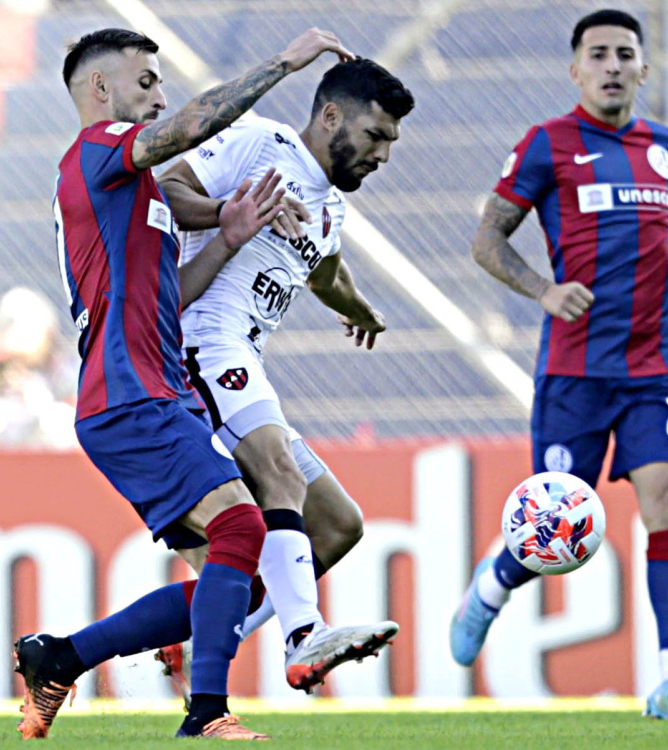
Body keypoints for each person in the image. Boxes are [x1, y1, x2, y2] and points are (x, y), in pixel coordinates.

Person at [13, 27, 371, 741]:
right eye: (145, 80)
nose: (159, 94)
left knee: (235, 569)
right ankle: (206, 712)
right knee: (244, 525)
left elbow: (167, 298)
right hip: (126, 395)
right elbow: (194, 124)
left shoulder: (133, 188)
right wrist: (281, 61)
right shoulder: (95, 154)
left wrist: (233, 234)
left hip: (154, 391)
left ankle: (60, 658)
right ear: (100, 89)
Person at [449, 9, 668, 721]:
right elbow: (488, 238)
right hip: (575, 372)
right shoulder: (547, 145)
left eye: (625, 55)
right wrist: (543, 290)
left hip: (654, 365)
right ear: (575, 69)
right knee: (559, 532)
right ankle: (495, 583)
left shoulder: (666, 148)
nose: (613, 65)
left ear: (644, 69)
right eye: (599, 55)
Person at [151, 57, 415, 702]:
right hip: (201, 343)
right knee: (280, 474)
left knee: (338, 525)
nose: (383, 155)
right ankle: (304, 639)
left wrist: (358, 309)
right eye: (376, 136)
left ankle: (201, 635)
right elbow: (167, 190)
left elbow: (326, 272)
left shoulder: (329, 209)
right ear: (331, 116)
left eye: (391, 143)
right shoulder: (261, 142)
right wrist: (232, 213)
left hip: (242, 359)